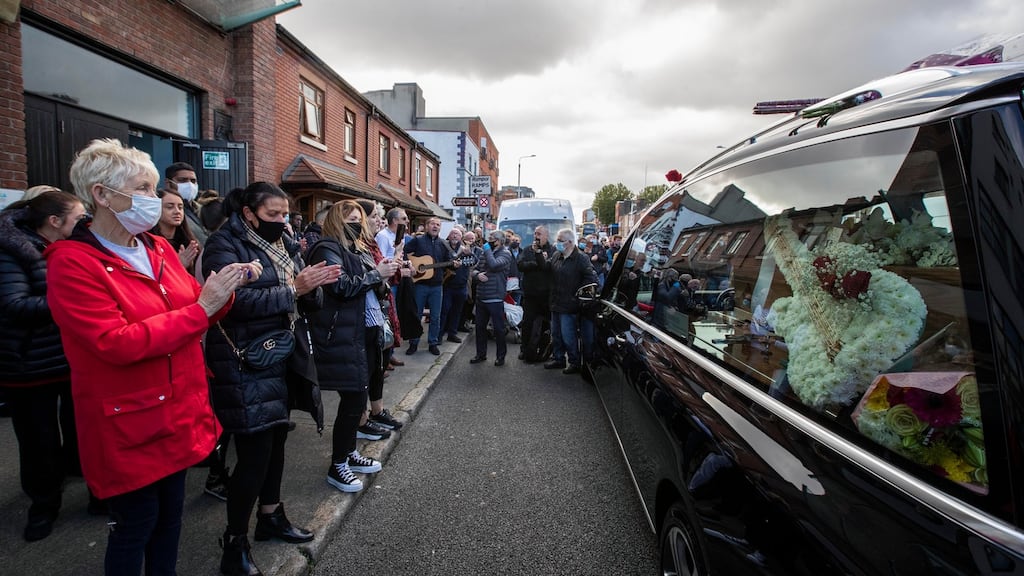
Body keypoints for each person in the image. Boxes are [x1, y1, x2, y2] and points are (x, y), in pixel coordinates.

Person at [45, 138, 254, 575]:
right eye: (142, 188)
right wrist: (202, 308)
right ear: (101, 194)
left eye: (154, 188)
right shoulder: (72, 263)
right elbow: (115, 341)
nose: (153, 199)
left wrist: (223, 293)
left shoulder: (156, 248)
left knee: (169, 523)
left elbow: (193, 307)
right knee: (134, 527)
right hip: (129, 422)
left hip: (177, 411)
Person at [203, 181, 340, 576]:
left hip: (281, 354)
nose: (282, 222)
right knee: (254, 455)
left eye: (285, 215)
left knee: (277, 439)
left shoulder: (282, 244)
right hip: (244, 361)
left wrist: (312, 287)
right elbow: (230, 304)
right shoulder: (224, 245)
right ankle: (234, 542)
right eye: (272, 215)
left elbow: (300, 294)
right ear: (248, 214)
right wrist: (294, 289)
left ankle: (270, 516)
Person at [0, 190, 88, 542]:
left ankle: (81, 476)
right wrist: (73, 298)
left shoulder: (71, 247)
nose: (84, 223)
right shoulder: (11, 250)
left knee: (79, 424)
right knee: (38, 438)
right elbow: (15, 304)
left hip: (68, 354)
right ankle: (44, 505)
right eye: (78, 217)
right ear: (54, 222)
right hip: (29, 362)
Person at [307, 200, 399, 492]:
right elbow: (342, 286)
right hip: (345, 333)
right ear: (337, 220)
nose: (358, 222)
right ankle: (338, 466)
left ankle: (348, 454)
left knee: (359, 398)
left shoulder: (356, 248)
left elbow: (373, 285)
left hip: (366, 329)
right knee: (351, 402)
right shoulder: (327, 247)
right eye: (352, 218)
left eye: (360, 217)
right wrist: (376, 276)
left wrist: (382, 274)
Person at [356, 199, 405, 438]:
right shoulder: (361, 246)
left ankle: (377, 411)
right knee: (368, 369)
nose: (380, 220)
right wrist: (391, 264)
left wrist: (396, 263)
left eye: (380, 216)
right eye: (374, 215)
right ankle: (362, 418)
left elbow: (386, 278)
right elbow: (375, 277)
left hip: (381, 310)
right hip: (367, 315)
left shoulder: (371, 245)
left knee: (379, 365)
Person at [544, 228, 598, 375]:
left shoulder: (581, 258)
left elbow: (591, 278)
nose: (558, 243)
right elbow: (548, 269)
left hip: (570, 304)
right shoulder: (556, 255)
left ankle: (574, 362)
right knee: (556, 334)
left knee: (568, 335)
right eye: (558, 240)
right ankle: (558, 358)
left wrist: (578, 294)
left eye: (560, 240)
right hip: (556, 301)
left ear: (569, 242)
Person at [404, 216, 459, 356]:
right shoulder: (418, 240)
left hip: (437, 285)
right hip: (420, 284)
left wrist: (455, 265)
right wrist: (411, 266)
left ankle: (433, 343)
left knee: (435, 316)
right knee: (416, 315)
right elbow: (404, 253)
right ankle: (413, 343)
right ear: (427, 226)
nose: (436, 227)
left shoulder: (443, 244)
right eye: (433, 224)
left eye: (438, 225)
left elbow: (449, 262)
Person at [469, 230, 513, 366]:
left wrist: (487, 250)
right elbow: (474, 269)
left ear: (499, 241)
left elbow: (494, 265)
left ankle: (501, 356)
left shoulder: (505, 254)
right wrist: (477, 275)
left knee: (498, 329)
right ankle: (480, 354)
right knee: (480, 328)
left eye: (492, 239)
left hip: (495, 297)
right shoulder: (484, 253)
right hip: (481, 296)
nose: (488, 241)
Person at [517, 225, 556, 363]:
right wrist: (536, 263)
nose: (536, 236)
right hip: (530, 294)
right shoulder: (528, 249)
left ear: (546, 236)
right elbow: (520, 265)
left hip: (546, 296)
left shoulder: (553, 250)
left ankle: (541, 349)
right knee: (527, 323)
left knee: (546, 324)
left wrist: (542, 262)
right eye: (535, 233)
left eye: (539, 234)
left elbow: (549, 268)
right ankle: (525, 349)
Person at [439, 227, 476, 344]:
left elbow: (474, 261)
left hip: (461, 287)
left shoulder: (464, 249)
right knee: (444, 311)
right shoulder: (443, 248)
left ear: (461, 238)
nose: (455, 236)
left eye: (457, 234)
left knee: (457, 312)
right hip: (447, 286)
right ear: (449, 236)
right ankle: (439, 336)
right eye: (453, 234)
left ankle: (452, 334)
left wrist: (470, 254)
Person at [152, 188, 200, 269]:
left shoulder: (188, 241)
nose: (177, 211)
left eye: (180, 207)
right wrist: (178, 266)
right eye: (170, 207)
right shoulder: (149, 243)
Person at [164, 162, 209, 246]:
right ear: (168, 183)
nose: (189, 185)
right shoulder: (161, 211)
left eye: (193, 181)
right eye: (182, 180)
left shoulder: (203, 209)